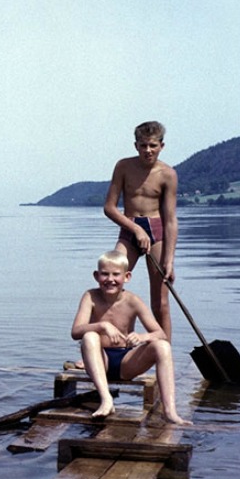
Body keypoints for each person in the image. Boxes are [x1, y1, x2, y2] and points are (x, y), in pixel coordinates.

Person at [70, 250, 189, 425]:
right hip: (100, 361)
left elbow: (161, 334)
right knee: (89, 336)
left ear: (127, 277)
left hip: (126, 362)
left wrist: (142, 337)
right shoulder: (90, 296)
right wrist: (102, 326)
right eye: (104, 274)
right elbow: (75, 331)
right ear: (96, 276)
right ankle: (106, 399)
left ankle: (170, 411)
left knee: (162, 346)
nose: (110, 279)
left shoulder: (133, 300)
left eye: (116, 274)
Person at [103, 120, 177, 340]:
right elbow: (109, 208)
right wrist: (136, 229)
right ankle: (105, 349)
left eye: (152, 145)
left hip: (157, 232)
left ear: (161, 146)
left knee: (160, 301)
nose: (148, 150)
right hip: (130, 229)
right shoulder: (124, 166)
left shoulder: (168, 174)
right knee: (110, 285)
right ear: (136, 145)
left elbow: (171, 220)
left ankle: (165, 354)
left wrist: (169, 261)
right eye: (143, 145)